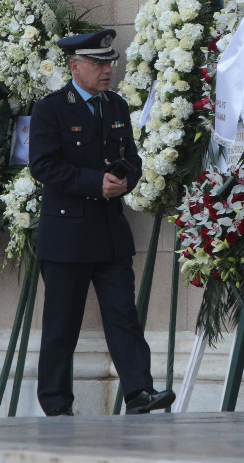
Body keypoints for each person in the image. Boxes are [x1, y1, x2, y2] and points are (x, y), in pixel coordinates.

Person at [29, 28, 176, 417]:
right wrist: (96, 183)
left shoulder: (115, 106)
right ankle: (57, 405)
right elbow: (43, 166)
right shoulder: (51, 109)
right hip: (67, 236)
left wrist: (127, 178)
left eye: (109, 62)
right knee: (62, 326)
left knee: (123, 316)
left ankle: (139, 392)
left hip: (109, 233)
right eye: (97, 63)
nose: (107, 70)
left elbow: (133, 158)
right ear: (74, 67)